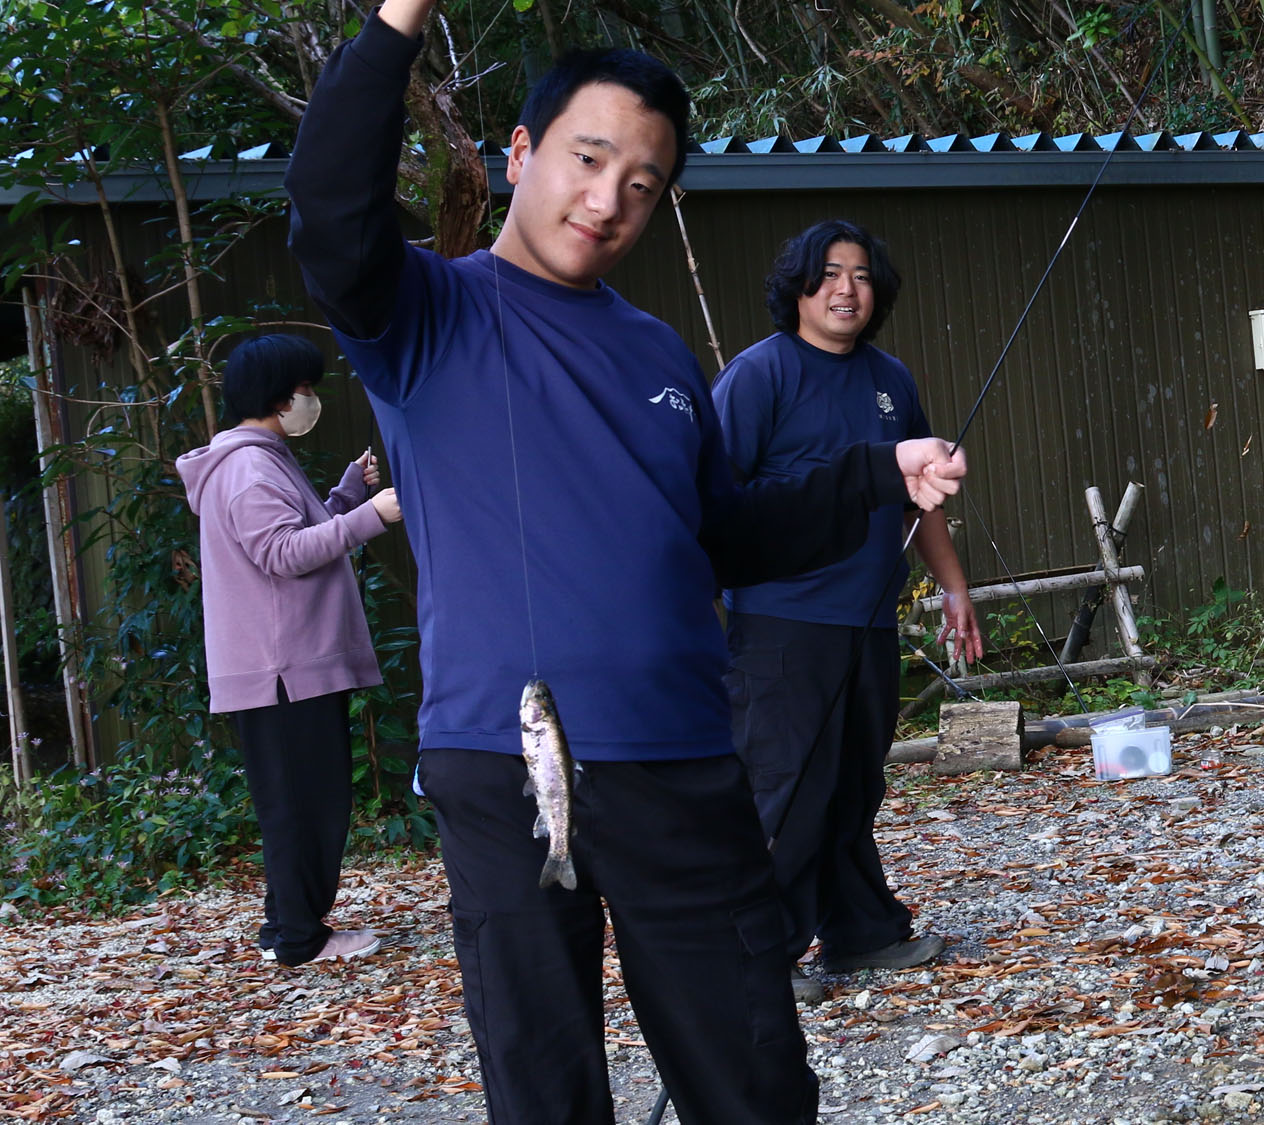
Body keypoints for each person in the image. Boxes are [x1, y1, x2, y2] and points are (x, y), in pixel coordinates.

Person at [283, 3, 968, 1123]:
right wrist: (396, 18)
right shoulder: (424, 313)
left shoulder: (656, 351)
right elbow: (328, 212)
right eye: (586, 160)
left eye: (642, 184)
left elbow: (720, 533)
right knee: (544, 1081)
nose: (607, 202)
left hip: (686, 758)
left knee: (751, 1075)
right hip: (504, 759)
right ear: (520, 155)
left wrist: (874, 474)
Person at [713, 220, 985, 1005]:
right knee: (785, 788)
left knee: (852, 785)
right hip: (780, 623)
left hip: (867, 617)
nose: (845, 289)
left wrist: (953, 584)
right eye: (828, 273)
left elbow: (922, 493)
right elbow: (714, 506)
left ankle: (859, 931)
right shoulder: (758, 376)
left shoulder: (891, 380)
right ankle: (756, 953)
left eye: (862, 275)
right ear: (798, 286)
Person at [176, 332, 403, 967]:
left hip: (284, 664)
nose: (312, 399)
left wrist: (347, 497)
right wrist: (372, 518)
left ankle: (288, 927)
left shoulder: (259, 457)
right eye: (306, 390)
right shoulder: (249, 466)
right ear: (280, 396)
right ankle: (302, 939)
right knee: (306, 805)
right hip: (284, 668)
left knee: (298, 800)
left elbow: (296, 533)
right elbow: (280, 554)